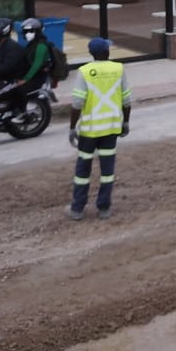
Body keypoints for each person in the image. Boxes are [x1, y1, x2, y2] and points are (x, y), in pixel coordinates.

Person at [67, 37, 132, 222]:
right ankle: (104, 208)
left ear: (91, 53)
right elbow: (126, 100)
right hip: (111, 129)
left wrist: (72, 128)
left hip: (89, 131)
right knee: (107, 171)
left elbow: (77, 104)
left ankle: (77, 209)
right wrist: (125, 123)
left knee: (82, 171)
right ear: (107, 52)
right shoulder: (118, 69)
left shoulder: (85, 71)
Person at [0, 17, 55, 116]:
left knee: (17, 90)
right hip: (28, 75)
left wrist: (25, 79)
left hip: (36, 78)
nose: (27, 34)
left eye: (30, 31)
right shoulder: (31, 45)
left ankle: (20, 112)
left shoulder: (41, 46)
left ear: (37, 31)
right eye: (25, 31)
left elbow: (36, 65)